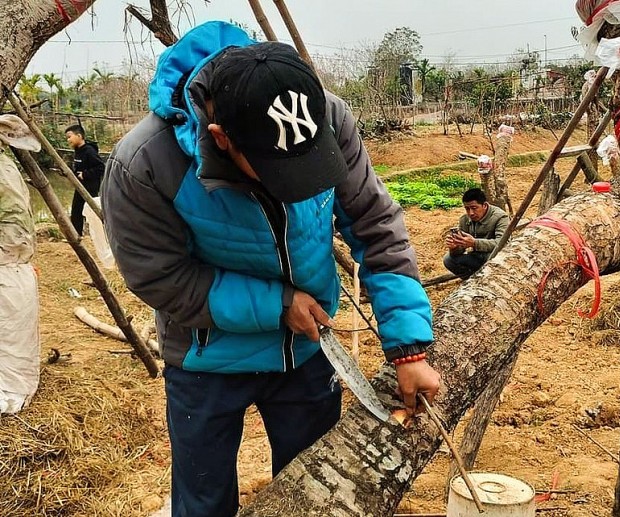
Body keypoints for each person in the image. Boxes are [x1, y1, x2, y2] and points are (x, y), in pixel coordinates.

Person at [101, 21, 440, 517]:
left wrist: (408, 345)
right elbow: (160, 277)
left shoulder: (326, 116)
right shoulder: (145, 164)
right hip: (206, 360)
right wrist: (277, 306)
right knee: (204, 503)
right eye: (280, 170)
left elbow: (374, 223)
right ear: (221, 138)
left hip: (307, 354)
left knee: (313, 493)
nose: (297, 186)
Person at [443, 188, 510, 279]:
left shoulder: (500, 217)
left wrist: (474, 243)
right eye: (467, 209)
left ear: (485, 205)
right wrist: (454, 248)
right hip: (476, 256)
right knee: (448, 260)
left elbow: (503, 243)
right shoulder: (464, 219)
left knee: (494, 260)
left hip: (495, 256)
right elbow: (460, 250)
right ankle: (472, 280)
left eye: (474, 208)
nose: (471, 213)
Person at [65, 124, 104, 236]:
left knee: (93, 211)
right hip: (80, 186)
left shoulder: (89, 151)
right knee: (76, 210)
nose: (68, 140)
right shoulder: (78, 150)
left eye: (69, 137)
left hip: (90, 187)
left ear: (79, 136)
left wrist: (85, 174)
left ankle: (102, 232)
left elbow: (101, 167)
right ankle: (76, 235)